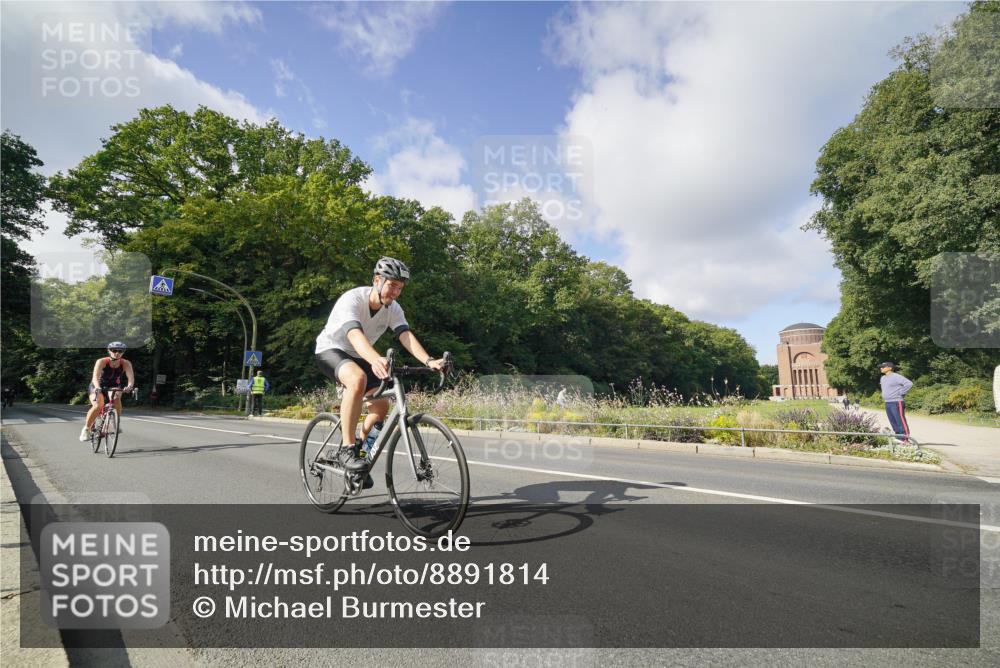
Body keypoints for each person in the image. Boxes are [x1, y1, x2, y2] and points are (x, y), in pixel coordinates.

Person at [314, 257, 445, 488]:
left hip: (360, 355)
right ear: (377, 280)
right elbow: (354, 335)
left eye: (400, 288)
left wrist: (428, 360)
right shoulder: (353, 299)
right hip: (332, 349)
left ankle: (359, 455)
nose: (395, 292)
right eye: (392, 285)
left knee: (382, 406)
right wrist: (375, 359)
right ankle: (346, 448)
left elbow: (405, 335)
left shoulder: (393, 309)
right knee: (357, 378)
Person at [80, 342, 135, 441]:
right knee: (98, 405)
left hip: (113, 386)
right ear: (109, 351)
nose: (117, 353)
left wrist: (129, 386)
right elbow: (95, 378)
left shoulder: (126, 363)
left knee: (116, 398)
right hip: (97, 385)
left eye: (120, 351)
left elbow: (130, 378)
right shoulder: (102, 361)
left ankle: (115, 422)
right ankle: (86, 429)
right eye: (114, 350)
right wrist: (97, 387)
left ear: (123, 352)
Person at [879, 361, 913, 443]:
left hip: (897, 402)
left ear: (890, 368)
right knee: (893, 422)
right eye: (881, 367)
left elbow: (909, 384)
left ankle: (905, 439)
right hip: (887, 402)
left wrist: (900, 392)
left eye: (883, 367)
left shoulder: (896, 376)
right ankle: (898, 438)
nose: (881, 368)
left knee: (900, 421)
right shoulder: (882, 378)